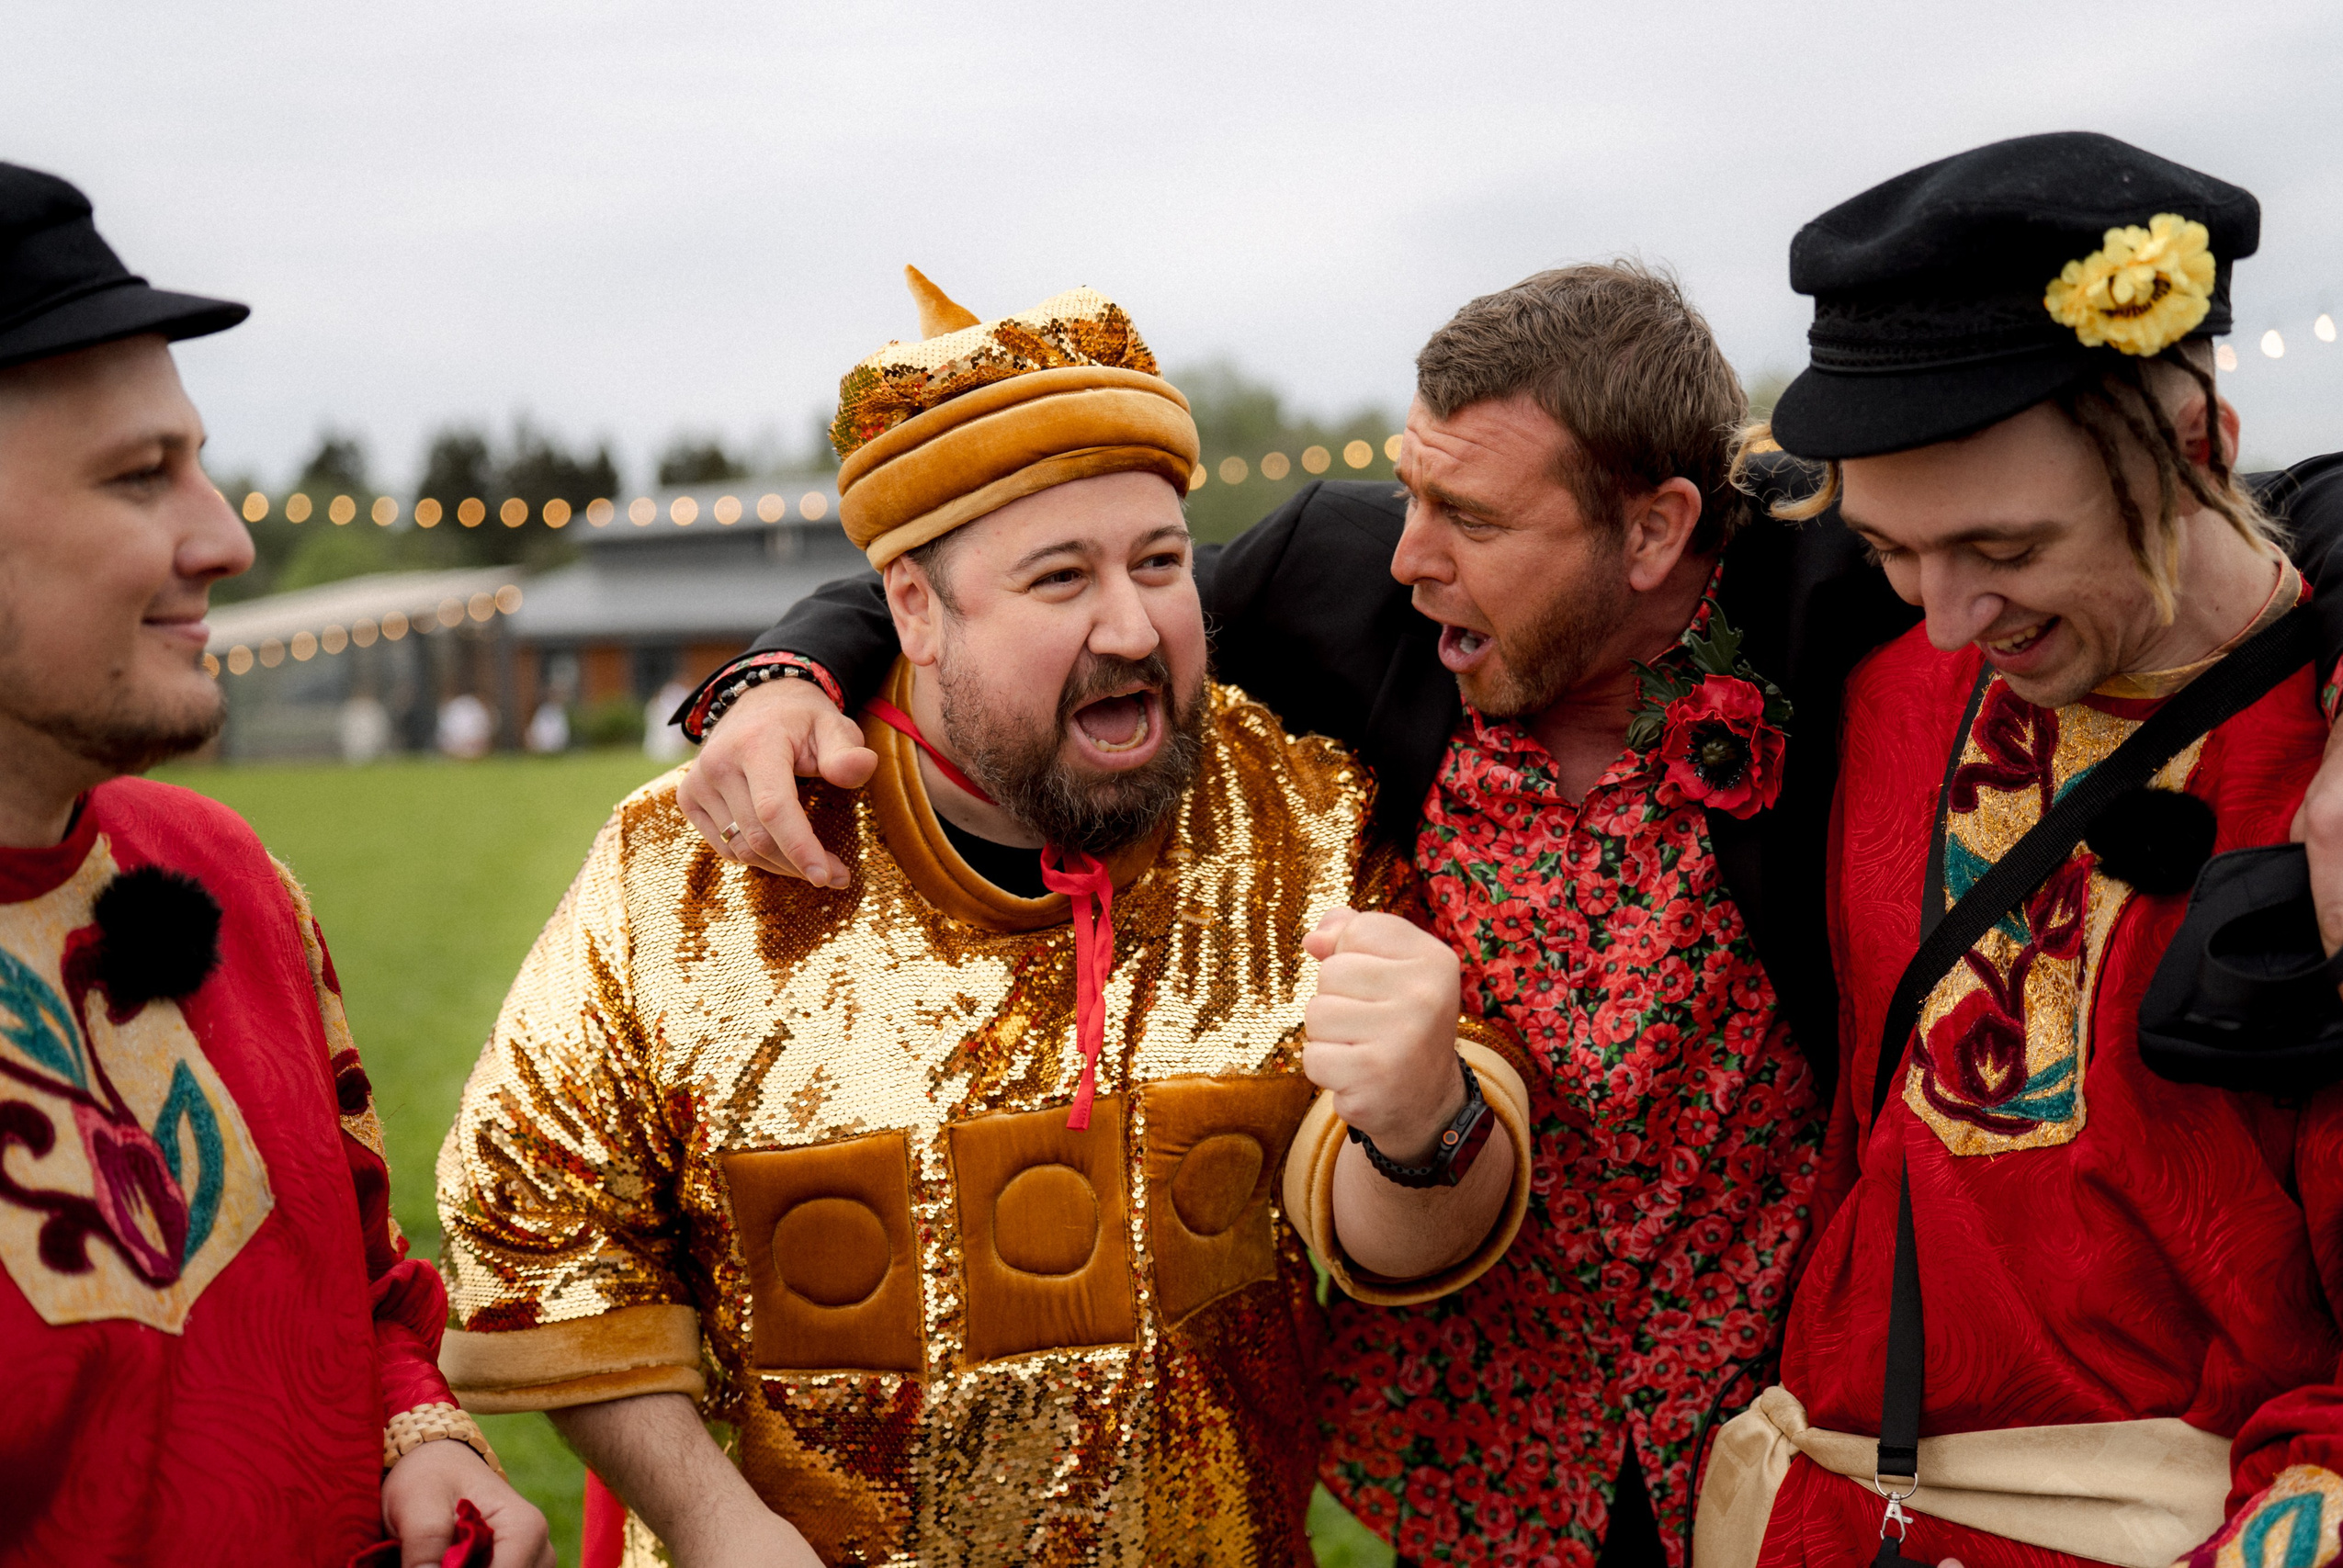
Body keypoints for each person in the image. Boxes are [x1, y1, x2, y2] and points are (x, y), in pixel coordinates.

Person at [671, 260, 2343, 1564]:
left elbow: (2254, 522)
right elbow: (1023, 587)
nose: (1412, 552)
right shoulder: (1343, 582)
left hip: (1774, 1453)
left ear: (1659, 530)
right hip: (1463, 1465)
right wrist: (790, 662)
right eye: (1412, 494)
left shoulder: (1838, 586)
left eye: (1471, 518)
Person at [434, 271, 1536, 1567]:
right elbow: (539, 1234)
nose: (1131, 624)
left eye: (1162, 563)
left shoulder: (1308, 822)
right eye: (1060, 578)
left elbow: (1407, 1233)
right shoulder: (696, 868)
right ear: (912, 610)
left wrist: (1422, 1126)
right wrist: (712, 1520)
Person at [1692, 131, 2343, 1568]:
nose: (1943, 618)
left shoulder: (2326, 771)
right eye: (1891, 552)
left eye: (2004, 547)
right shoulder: (1875, 679)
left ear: (2194, 449)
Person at [0, 164, 549, 1564]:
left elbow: (363, 1292)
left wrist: (420, 1432)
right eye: (139, 477)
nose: (227, 538)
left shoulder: (227, 872)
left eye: (193, 458)